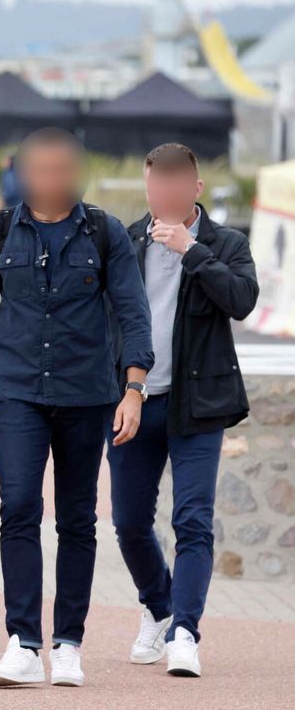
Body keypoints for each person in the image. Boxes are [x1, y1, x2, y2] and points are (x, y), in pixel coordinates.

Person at [0, 127, 153, 688]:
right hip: (16, 393)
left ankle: (68, 643)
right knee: (17, 507)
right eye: (42, 168)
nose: (52, 179)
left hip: (89, 394)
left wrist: (134, 388)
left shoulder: (105, 232)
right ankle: (23, 642)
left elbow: (133, 313)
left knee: (78, 519)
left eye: (63, 168)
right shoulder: (0, 232)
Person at [109, 143, 258, 677]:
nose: (163, 197)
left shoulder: (226, 242)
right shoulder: (123, 242)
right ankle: (158, 606)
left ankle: (185, 633)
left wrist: (193, 251)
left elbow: (242, 300)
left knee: (192, 521)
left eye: (174, 187)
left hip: (199, 405)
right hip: (133, 401)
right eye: (154, 188)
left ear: (194, 189)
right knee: (128, 523)